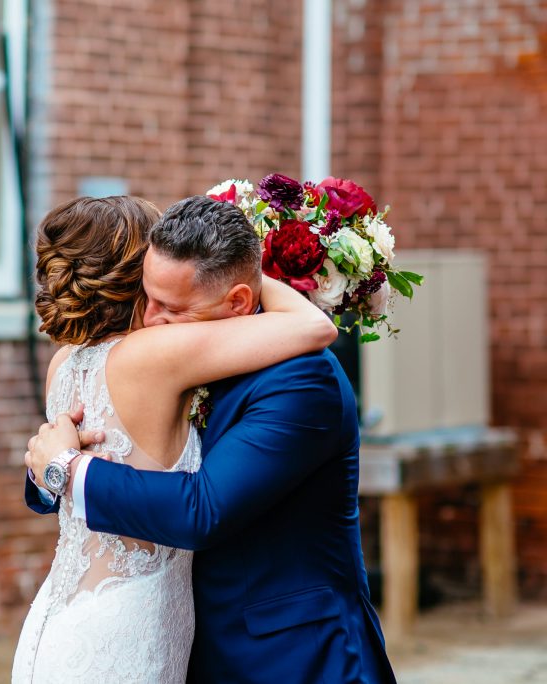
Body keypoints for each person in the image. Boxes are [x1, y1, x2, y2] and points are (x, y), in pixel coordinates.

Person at [23, 194, 397, 683]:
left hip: (293, 656)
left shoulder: (302, 378)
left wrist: (66, 470)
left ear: (238, 300)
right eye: (146, 296)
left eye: (171, 306)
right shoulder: (165, 361)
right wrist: (50, 467)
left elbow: (204, 509)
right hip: (182, 645)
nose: (152, 320)